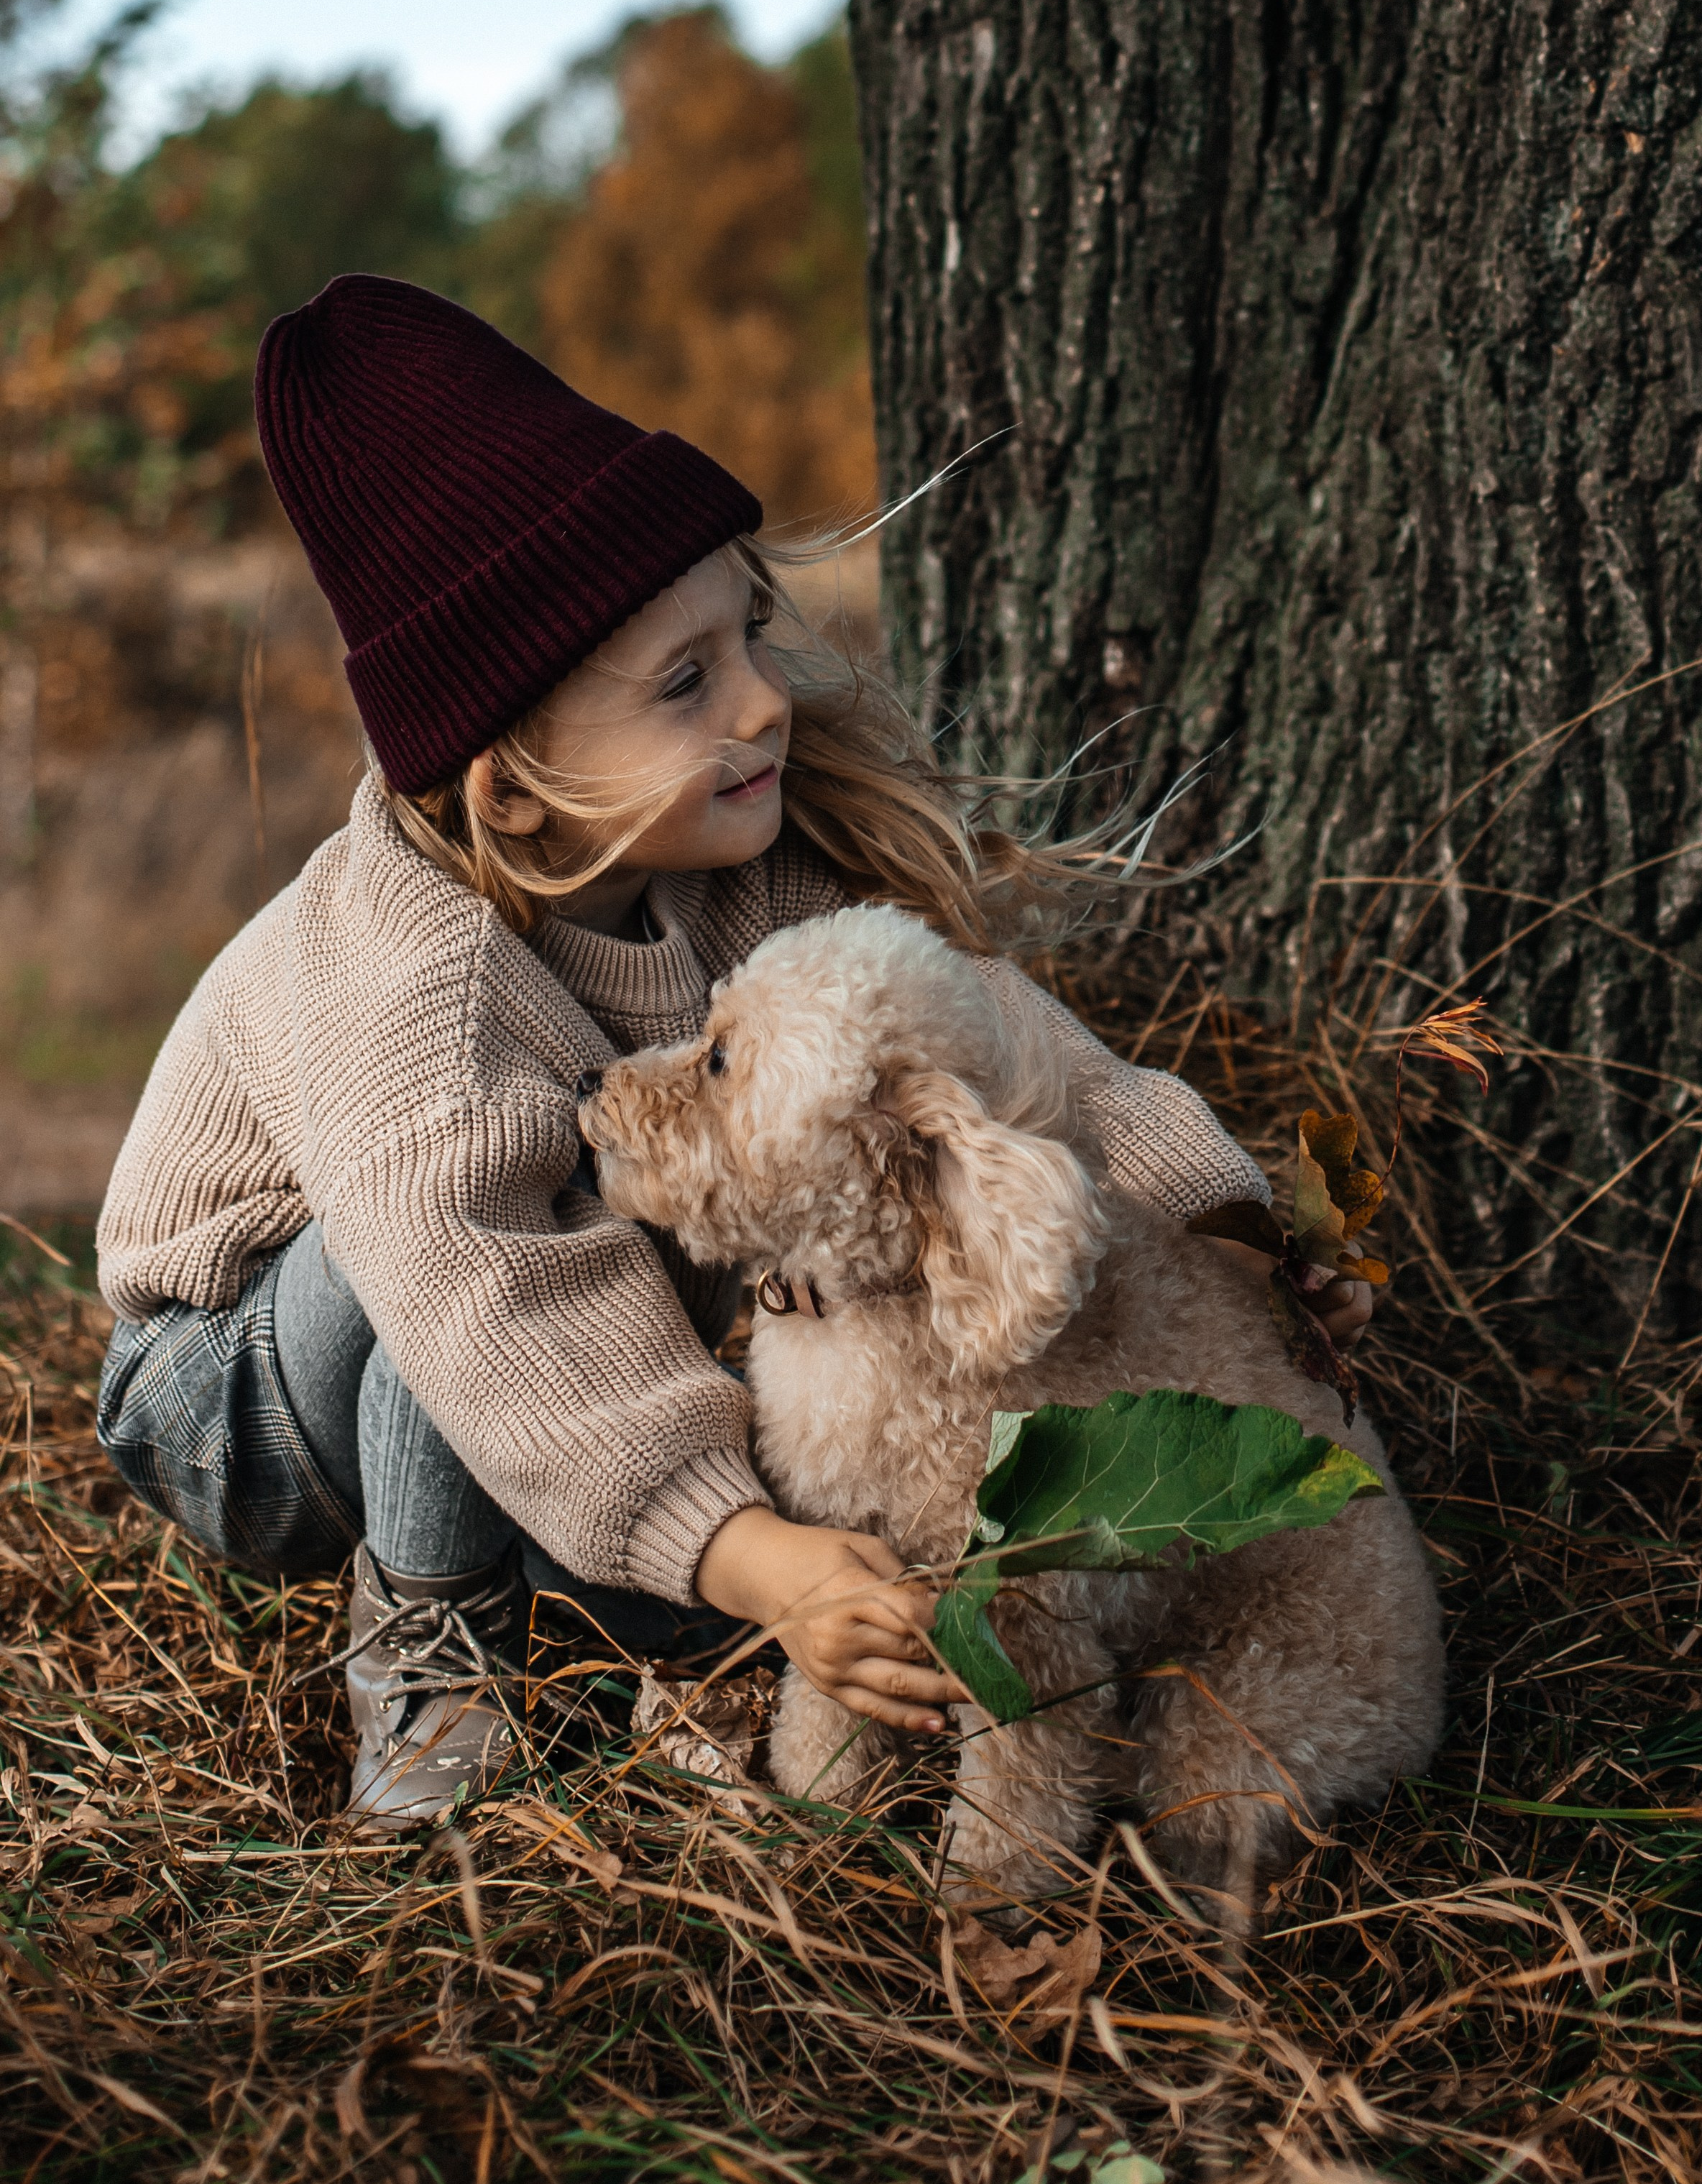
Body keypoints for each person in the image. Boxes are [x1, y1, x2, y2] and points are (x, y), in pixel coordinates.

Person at [94, 277, 1371, 1829]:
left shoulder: (748, 874)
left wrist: (1217, 1222)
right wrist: (752, 1558)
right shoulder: (415, 980)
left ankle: (618, 1586)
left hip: (501, 1314)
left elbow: (996, 1053)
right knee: (474, 1225)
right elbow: (479, 1287)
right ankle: (434, 1633)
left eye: (744, 631)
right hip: (246, 1382)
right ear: (511, 793)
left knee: (679, 1250)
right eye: (686, 682)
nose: (765, 699)